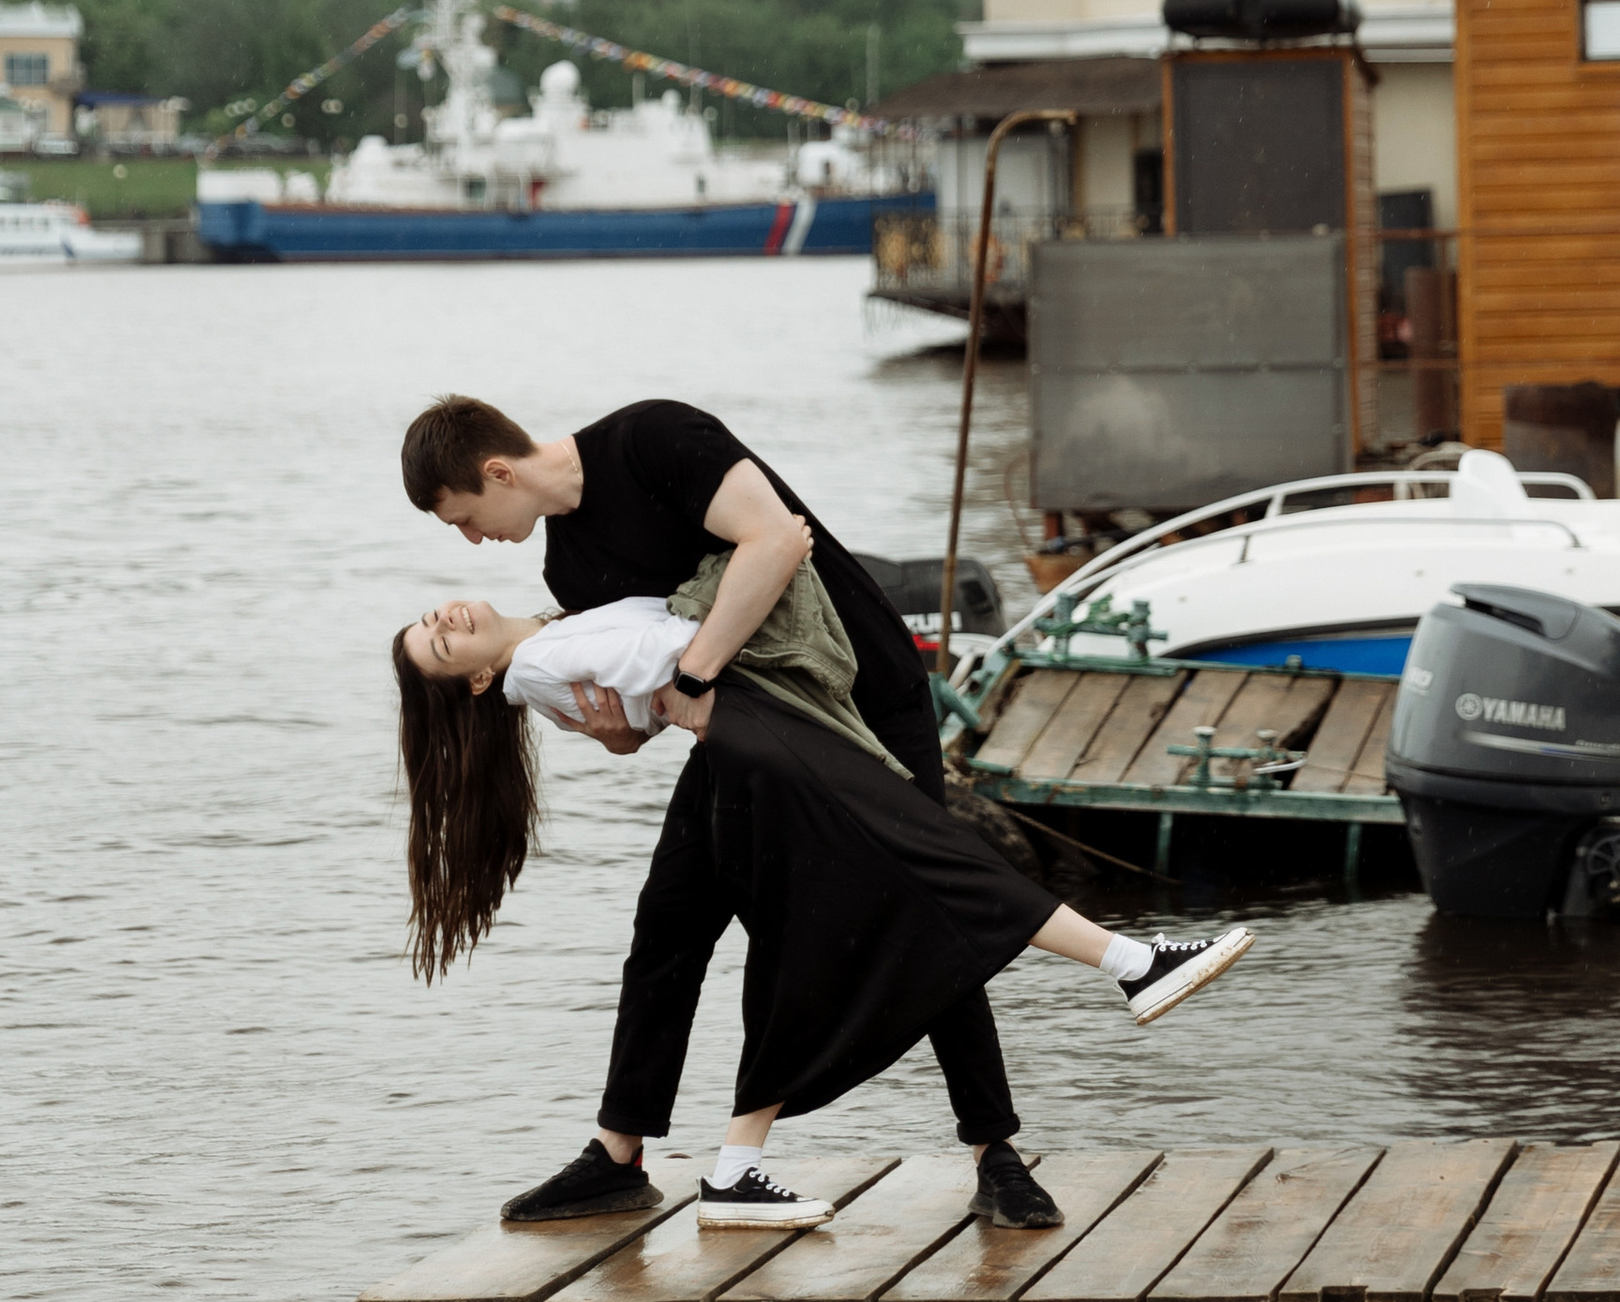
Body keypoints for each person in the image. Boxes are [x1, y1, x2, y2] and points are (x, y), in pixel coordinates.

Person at [397, 393, 1252, 1229]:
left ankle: (996, 1154)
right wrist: (616, 728)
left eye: (462, 518)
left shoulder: (652, 440)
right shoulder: (567, 570)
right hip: (754, 737)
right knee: (668, 926)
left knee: (927, 891)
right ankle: (618, 1158)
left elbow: (775, 540)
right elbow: (644, 702)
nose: (473, 541)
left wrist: (690, 678)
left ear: (498, 472)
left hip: (865, 693)